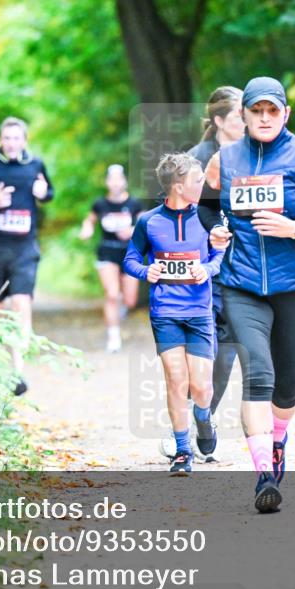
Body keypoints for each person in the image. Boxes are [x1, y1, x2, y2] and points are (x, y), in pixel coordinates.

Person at [203, 77, 295, 512]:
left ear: (285, 114)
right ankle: (265, 474)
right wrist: (215, 229)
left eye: (272, 111)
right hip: (241, 283)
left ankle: (278, 439)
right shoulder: (224, 160)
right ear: (243, 115)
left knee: (287, 385)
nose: (264, 118)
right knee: (258, 374)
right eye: (256, 111)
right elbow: (206, 206)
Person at [153, 86, 243, 461]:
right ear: (220, 121)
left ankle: (202, 417)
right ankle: (185, 427)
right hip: (202, 275)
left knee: (226, 355)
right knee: (194, 361)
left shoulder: (257, 156)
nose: (250, 121)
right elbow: (174, 218)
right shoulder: (196, 161)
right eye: (242, 115)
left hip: (243, 270)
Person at [123, 153, 226, 474]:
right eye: (198, 181)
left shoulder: (209, 218)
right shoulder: (149, 221)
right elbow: (130, 259)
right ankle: (183, 451)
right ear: (179, 187)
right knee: (176, 380)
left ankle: (204, 419)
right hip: (165, 312)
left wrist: (207, 269)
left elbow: (219, 255)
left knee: (202, 388)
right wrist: (146, 272)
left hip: (199, 313)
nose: (204, 186)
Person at [0, 117, 56, 396]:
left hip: (25, 247)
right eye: (7, 138)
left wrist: (45, 194)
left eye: (17, 138)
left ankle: (17, 372)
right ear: (0, 140)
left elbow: (49, 192)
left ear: (24, 141)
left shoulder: (35, 165)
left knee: (21, 303)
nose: (12, 143)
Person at [79, 164, 143, 353]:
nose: (115, 183)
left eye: (119, 179)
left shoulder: (134, 204)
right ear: (107, 182)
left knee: (130, 300)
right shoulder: (100, 204)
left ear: (124, 181)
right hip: (107, 251)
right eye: (111, 179)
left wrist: (133, 230)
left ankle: (121, 306)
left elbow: (144, 226)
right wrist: (87, 229)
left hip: (130, 253)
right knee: (112, 294)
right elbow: (89, 220)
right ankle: (113, 337)